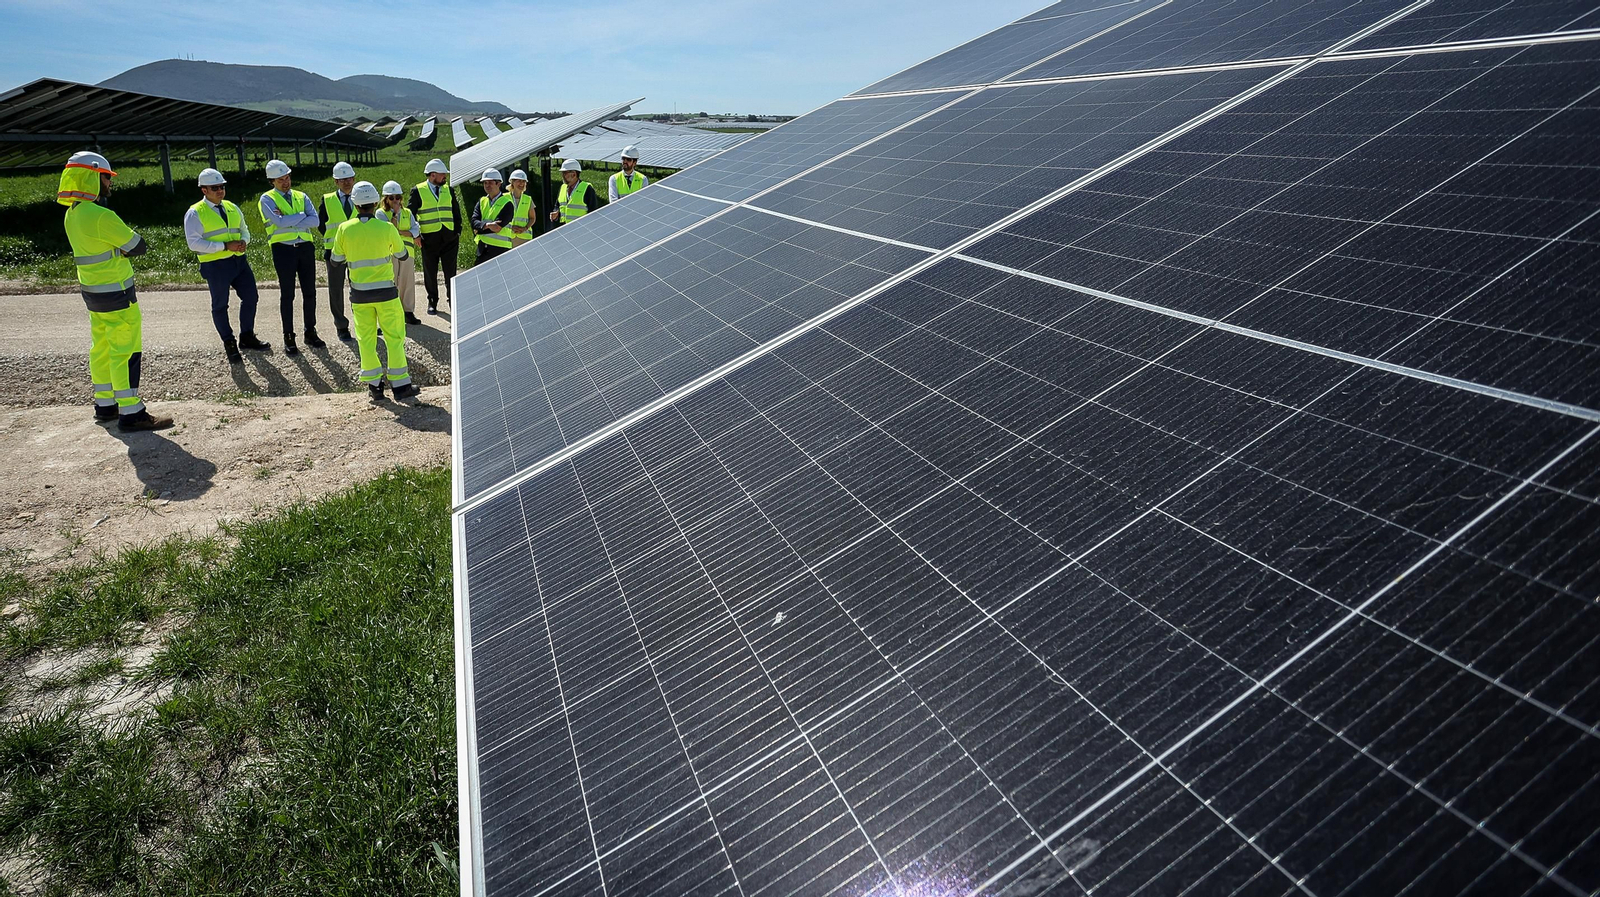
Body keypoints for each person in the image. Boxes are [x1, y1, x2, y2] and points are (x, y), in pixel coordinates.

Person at [57, 151, 171, 431]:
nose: (109, 183)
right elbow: (138, 246)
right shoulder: (101, 216)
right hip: (118, 295)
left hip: (93, 295)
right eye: (106, 177)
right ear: (92, 176)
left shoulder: (71, 215)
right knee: (126, 351)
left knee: (102, 348)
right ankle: (131, 413)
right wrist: (120, 248)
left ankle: (105, 405)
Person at [332, 181, 417, 402]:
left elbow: (335, 260)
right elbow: (402, 255)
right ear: (374, 202)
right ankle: (401, 387)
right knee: (394, 337)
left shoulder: (344, 228)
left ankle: (375, 387)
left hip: (360, 296)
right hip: (386, 294)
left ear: (355, 204)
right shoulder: (387, 228)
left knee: (366, 339)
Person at [184, 168, 270, 361]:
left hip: (239, 262)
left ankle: (247, 336)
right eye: (215, 188)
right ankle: (229, 342)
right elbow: (194, 243)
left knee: (251, 297)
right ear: (204, 190)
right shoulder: (195, 213)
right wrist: (224, 246)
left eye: (222, 186)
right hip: (215, 265)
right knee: (220, 305)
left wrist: (244, 241)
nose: (220, 191)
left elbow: (244, 229)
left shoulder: (232, 207)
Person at [258, 159, 325, 351]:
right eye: (281, 180)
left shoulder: (301, 196)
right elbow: (277, 223)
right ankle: (289, 336)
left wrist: (289, 220)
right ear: (272, 181)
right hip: (283, 249)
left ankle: (310, 332)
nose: (286, 182)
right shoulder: (266, 199)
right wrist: (301, 216)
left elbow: (315, 220)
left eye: (287, 177)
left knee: (310, 292)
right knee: (287, 294)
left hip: (305, 247)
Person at [408, 158, 461, 314]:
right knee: (430, 272)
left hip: (450, 238)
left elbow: (456, 212)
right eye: (442, 174)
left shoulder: (449, 190)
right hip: (429, 239)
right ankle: (432, 301)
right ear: (432, 175)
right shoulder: (418, 190)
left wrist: (457, 231)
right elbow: (410, 214)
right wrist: (416, 234)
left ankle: (453, 302)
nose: (445, 177)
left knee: (451, 272)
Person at [317, 161, 358, 341]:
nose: (346, 182)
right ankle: (341, 326)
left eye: (349, 178)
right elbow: (321, 224)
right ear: (336, 182)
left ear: (354, 178)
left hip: (359, 251)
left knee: (360, 288)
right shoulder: (327, 200)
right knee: (336, 290)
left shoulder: (362, 197)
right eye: (342, 180)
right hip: (334, 252)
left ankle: (364, 323)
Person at [377, 180, 423, 326]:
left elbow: (416, 230)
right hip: (389, 252)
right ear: (386, 199)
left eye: (398, 197)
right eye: (392, 198)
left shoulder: (408, 212)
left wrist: (401, 232)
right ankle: (391, 313)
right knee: (391, 282)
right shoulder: (380, 213)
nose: (396, 200)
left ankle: (408, 311)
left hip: (407, 252)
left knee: (407, 282)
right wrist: (396, 217)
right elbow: (388, 230)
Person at [471, 168, 515, 263]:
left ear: (498, 184)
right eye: (485, 183)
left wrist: (479, 230)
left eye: (490, 183)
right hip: (482, 249)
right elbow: (473, 222)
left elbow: (497, 227)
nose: (487, 185)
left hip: (501, 250)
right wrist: (487, 225)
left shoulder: (507, 203)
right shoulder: (481, 201)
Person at [550, 158, 601, 226]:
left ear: (573, 174)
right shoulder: (562, 188)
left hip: (582, 230)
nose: (562, 175)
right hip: (564, 229)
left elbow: (593, 212)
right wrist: (556, 213)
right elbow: (558, 206)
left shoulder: (587, 188)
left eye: (565, 173)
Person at [507, 170, 536, 247]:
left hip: (525, 238)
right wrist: (511, 227)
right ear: (512, 182)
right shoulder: (504, 198)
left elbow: (532, 218)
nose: (521, 183)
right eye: (519, 181)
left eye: (523, 181)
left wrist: (525, 228)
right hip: (508, 237)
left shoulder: (528, 199)